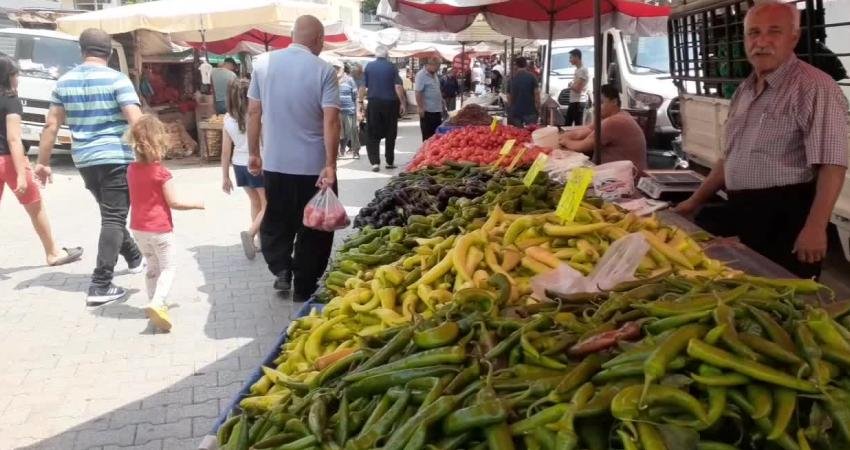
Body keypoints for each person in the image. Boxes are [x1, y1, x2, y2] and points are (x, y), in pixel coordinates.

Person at [674, 0, 848, 279]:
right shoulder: (745, 90)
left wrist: (815, 227)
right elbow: (729, 157)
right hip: (744, 211)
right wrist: (694, 201)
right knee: (745, 290)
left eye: (774, 32)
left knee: (785, 299)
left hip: (786, 216)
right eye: (754, 33)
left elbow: (832, 164)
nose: (762, 41)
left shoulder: (814, 87)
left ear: (794, 37)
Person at [36, 28, 144, 307]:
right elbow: (136, 120)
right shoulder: (118, 79)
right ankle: (101, 284)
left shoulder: (64, 82)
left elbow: (51, 124)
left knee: (111, 213)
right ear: (108, 52)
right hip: (115, 157)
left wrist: (43, 163)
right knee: (113, 217)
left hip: (84, 159)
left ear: (81, 51)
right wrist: (151, 153)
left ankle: (134, 257)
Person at [247, 15, 340, 302]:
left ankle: (282, 269)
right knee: (315, 227)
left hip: (276, 163)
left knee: (277, 221)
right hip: (314, 168)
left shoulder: (262, 64)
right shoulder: (324, 70)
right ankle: (303, 285)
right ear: (318, 40)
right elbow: (332, 121)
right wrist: (331, 164)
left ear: (293, 36)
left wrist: (253, 152)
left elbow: (253, 112)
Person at [0, 55, 83, 267]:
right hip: (8, 161)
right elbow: (13, 138)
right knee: (34, 206)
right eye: (15, 74)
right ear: (7, 77)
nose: (18, 78)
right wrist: (20, 174)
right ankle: (52, 253)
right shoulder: (10, 101)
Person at [127, 115, 204, 332]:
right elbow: (174, 202)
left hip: (138, 228)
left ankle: (153, 301)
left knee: (152, 267)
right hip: (159, 229)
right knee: (168, 267)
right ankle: (158, 302)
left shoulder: (131, 169)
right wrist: (197, 204)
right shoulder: (161, 173)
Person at [221, 78, 265, 260]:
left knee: (255, 203)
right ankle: (251, 233)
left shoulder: (227, 119)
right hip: (257, 164)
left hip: (238, 165)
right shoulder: (257, 115)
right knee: (268, 204)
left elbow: (225, 152)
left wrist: (225, 177)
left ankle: (260, 242)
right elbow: (265, 142)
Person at [558, 84, 648, 171]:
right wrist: (565, 136)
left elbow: (583, 146)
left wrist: (565, 141)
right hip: (616, 173)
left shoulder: (615, 122)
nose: (596, 107)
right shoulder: (612, 117)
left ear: (614, 102)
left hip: (625, 178)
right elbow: (585, 130)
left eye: (601, 102)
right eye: (595, 103)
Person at [361, 45, 406, 172]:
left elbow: (363, 87)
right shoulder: (392, 67)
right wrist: (402, 103)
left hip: (374, 103)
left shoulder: (369, 67)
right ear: (387, 55)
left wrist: (360, 102)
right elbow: (398, 86)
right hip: (391, 103)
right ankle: (389, 161)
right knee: (391, 132)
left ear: (376, 55)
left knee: (372, 133)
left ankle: (375, 162)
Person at [415, 57, 444, 141]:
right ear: (430, 65)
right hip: (428, 111)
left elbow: (436, 89)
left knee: (436, 136)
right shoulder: (421, 75)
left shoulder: (434, 74)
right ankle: (426, 153)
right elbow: (418, 92)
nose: (438, 69)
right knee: (427, 136)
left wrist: (441, 100)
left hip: (436, 110)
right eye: (437, 66)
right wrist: (420, 107)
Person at [506, 56, 540, 127]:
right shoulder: (532, 77)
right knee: (530, 134)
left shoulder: (511, 79)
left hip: (516, 112)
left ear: (516, 65)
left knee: (518, 135)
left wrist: (510, 108)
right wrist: (538, 109)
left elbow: (508, 97)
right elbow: (537, 95)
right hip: (530, 112)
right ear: (526, 64)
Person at [337, 63, 361, 159]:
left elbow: (355, 97)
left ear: (343, 69)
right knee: (338, 133)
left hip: (349, 110)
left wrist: (358, 111)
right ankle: (339, 151)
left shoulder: (349, 80)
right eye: (334, 68)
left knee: (352, 131)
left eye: (337, 68)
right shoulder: (332, 80)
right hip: (336, 111)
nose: (336, 70)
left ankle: (355, 151)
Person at [565, 49, 589, 126]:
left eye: (571, 58)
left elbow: (578, 89)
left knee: (577, 126)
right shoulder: (578, 70)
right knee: (568, 124)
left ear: (576, 57)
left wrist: (570, 85)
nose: (569, 60)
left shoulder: (582, 70)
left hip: (578, 102)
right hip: (574, 102)